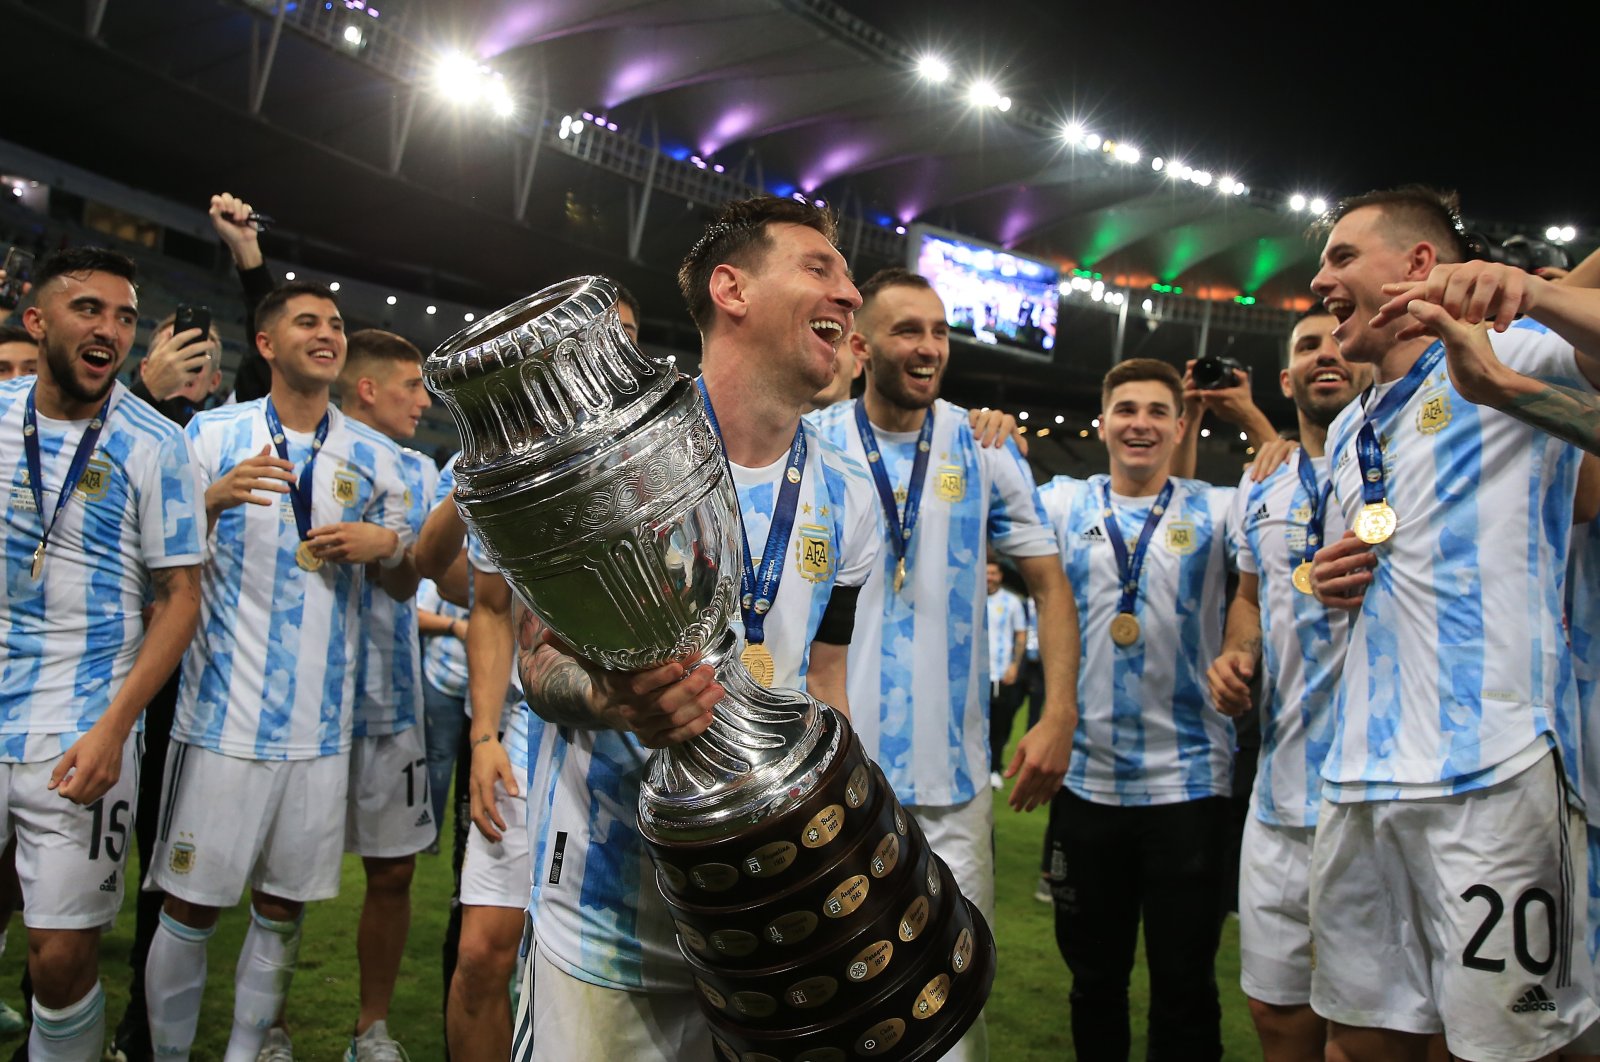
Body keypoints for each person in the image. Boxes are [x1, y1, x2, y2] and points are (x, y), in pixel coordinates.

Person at [485, 198, 881, 1062]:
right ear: (730, 288)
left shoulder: (849, 495)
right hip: (604, 911)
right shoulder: (604, 458)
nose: (850, 296)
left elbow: (826, 682)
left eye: (849, 279)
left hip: (771, 925)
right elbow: (537, 659)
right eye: (820, 269)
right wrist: (608, 697)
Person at [1307, 186, 1600, 1061]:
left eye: (1342, 256)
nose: (1320, 278)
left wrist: (1521, 327)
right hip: (1358, 774)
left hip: (1492, 770)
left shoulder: (1517, 347)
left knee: (1517, 1045)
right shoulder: (1350, 426)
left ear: (1419, 266)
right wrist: (1325, 575)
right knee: (1361, 1040)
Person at [811, 266, 1080, 1061]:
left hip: (953, 789)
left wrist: (1058, 711)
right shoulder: (814, 446)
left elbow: (1048, 584)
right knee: (834, 1008)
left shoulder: (985, 445)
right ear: (861, 347)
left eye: (939, 332)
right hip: (835, 783)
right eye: (908, 332)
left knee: (951, 1019)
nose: (929, 349)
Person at [141, 281, 414, 1062]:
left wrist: (386, 547)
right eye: (306, 322)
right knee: (188, 907)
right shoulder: (209, 436)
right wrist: (210, 501)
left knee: (281, 910)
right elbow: (151, 553)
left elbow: (401, 581)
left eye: (334, 324)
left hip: (321, 730)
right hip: (221, 719)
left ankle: (243, 1054)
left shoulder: (375, 457)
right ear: (265, 344)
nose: (326, 333)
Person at [1, 247, 204, 1062]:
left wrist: (116, 729)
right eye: (89, 309)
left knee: (60, 958)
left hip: (81, 725)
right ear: (37, 321)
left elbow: (181, 598)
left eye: (124, 316)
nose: (110, 330)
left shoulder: (156, 442)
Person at [1035, 357, 1241, 1061]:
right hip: (1087, 781)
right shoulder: (1063, 504)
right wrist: (988, 430)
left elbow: (1293, 514)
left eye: (1158, 411)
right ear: (1103, 422)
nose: (1141, 424)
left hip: (1188, 782)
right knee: (1094, 983)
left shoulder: (1217, 509)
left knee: (1185, 984)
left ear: (1182, 425)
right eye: (1127, 409)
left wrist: (1258, 424)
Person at [1206, 307, 1369, 1062]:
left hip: (1378, 791)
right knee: (1275, 1012)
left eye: (1340, 339)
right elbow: (1248, 596)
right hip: (1279, 790)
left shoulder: (1397, 456)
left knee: (1373, 1029)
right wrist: (1238, 654)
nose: (1325, 353)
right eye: (1308, 345)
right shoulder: (1258, 483)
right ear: (1286, 376)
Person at [103, 314, 227, 1062]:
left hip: (174, 684)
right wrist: (140, 395)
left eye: (206, 362)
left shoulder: (218, 440)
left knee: (157, 861)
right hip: (90, 677)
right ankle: (44, 999)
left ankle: (139, 1027)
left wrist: (248, 262)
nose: (191, 368)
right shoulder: (118, 423)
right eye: (179, 353)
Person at [317, 328, 435, 1061]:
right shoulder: (305, 451)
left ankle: (373, 1027)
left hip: (393, 696)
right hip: (305, 701)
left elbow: (433, 582)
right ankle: (268, 1025)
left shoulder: (423, 472)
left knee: (393, 871)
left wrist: (392, 547)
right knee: (284, 873)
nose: (425, 401)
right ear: (367, 388)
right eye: (412, 386)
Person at [984, 560, 1028, 790]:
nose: (989, 577)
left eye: (993, 572)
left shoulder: (1011, 602)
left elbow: (1021, 635)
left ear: (1000, 575)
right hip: (978, 676)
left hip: (1000, 674)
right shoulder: (973, 600)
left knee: (999, 724)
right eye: (986, 573)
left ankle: (994, 768)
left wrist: (1014, 665)